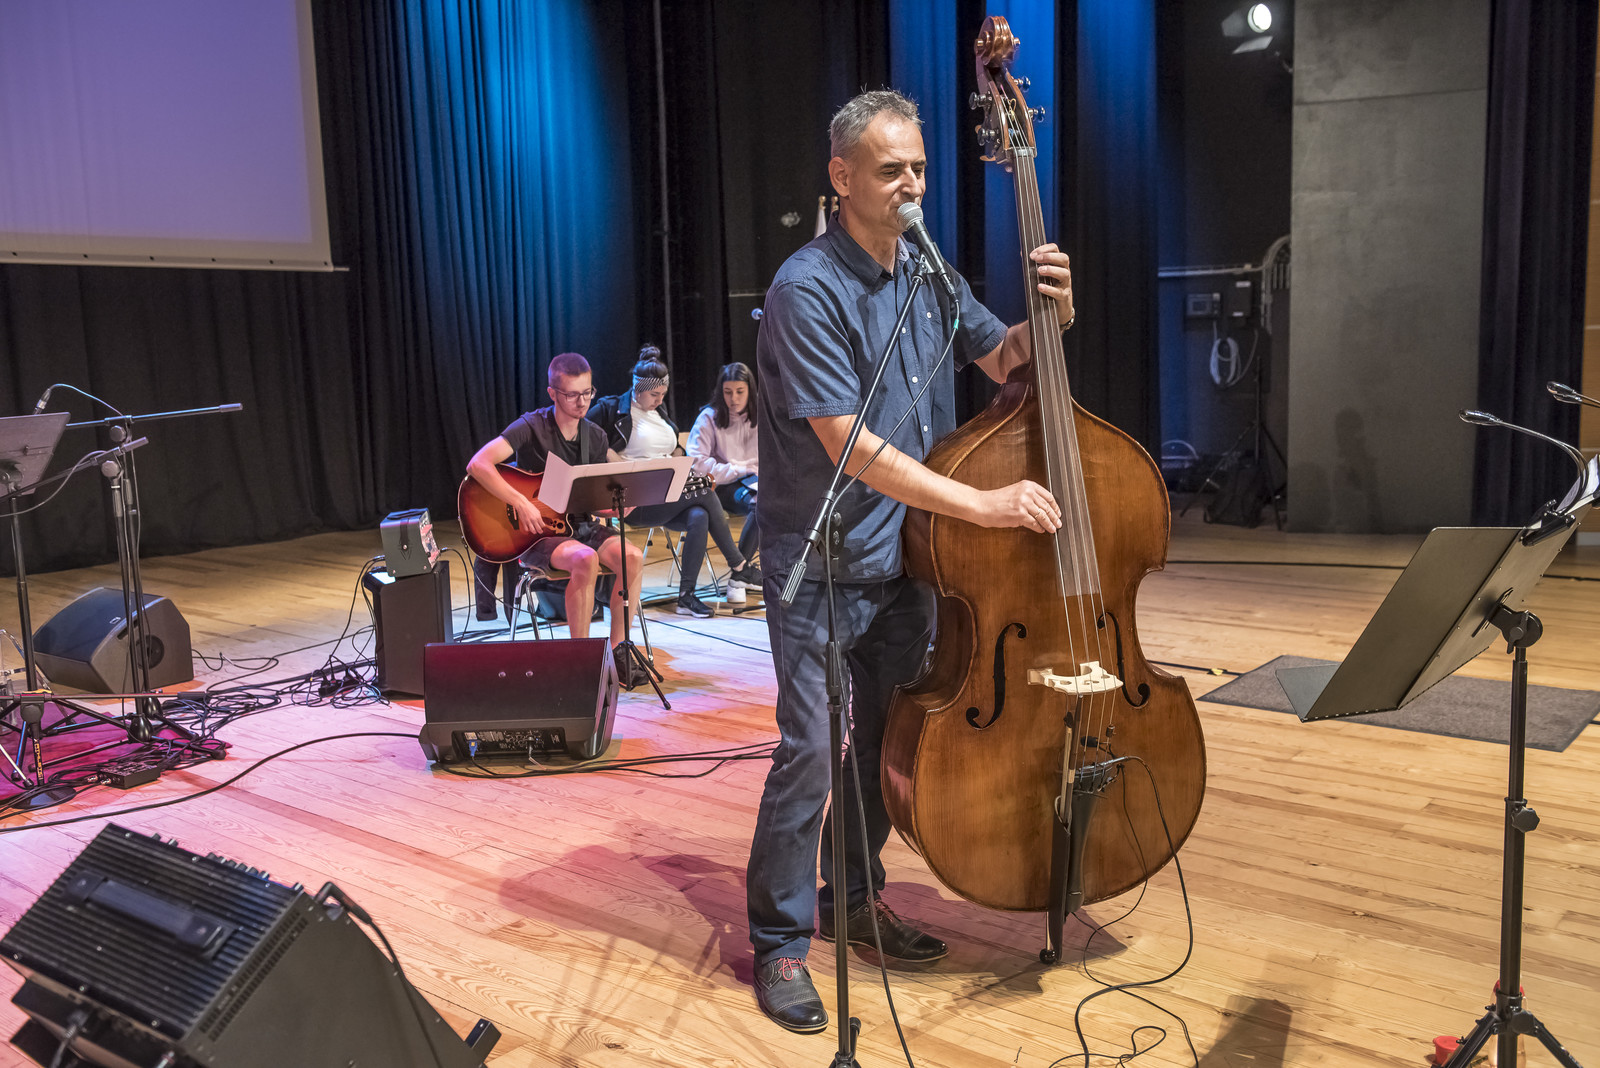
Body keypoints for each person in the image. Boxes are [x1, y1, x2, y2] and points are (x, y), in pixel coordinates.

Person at [745, 89, 1072, 1033]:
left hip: (905, 562)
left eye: (920, 168)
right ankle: (779, 943)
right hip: (820, 563)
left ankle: (852, 899)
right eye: (892, 171)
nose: (913, 186)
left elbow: (1004, 359)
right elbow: (848, 443)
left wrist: (1051, 316)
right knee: (810, 753)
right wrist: (983, 505)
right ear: (842, 177)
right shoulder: (806, 288)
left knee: (887, 746)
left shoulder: (928, 265)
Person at [465, 352, 648, 687]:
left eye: (587, 392)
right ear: (552, 393)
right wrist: (521, 502)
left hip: (580, 525)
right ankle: (579, 659)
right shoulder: (531, 426)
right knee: (585, 559)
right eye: (572, 394)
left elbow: (593, 502)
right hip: (536, 534)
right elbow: (478, 464)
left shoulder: (595, 437)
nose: (582, 402)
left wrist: (619, 508)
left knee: (632, 557)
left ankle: (619, 650)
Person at [589, 346, 761, 618]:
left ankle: (686, 597)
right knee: (705, 492)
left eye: (663, 394)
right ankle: (739, 566)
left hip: (665, 492)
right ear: (638, 389)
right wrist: (609, 455)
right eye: (654, 394)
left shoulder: (659, 411)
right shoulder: (612, 409)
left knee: (699, 514)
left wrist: (677, 456)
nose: (659, 400)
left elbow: (672, 448)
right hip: (635, 498)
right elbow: (586, 437)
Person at [686, 362, 760, 603]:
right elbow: (697, 464)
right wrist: (738, 469)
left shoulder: (762, 415)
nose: (733, 399)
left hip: (755, 481)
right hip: (721, 485)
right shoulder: (709, 417)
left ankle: (740, 576)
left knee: (768, 502)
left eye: (739, 392)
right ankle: (741, 574)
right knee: (759, 502)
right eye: (728, 392)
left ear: (750, 390)